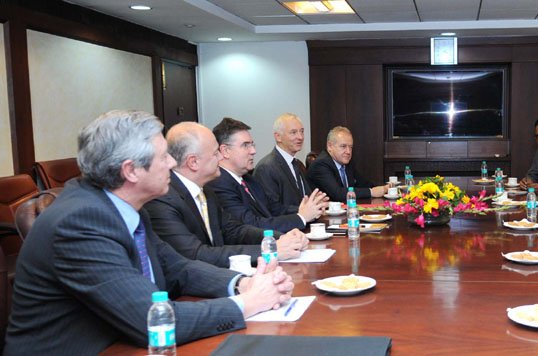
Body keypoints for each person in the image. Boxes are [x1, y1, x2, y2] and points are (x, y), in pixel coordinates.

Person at [4, 110, 294, 354]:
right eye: (164, 156)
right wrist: (248, 303)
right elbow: (151, 320)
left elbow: (177, 268)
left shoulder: (126, 206)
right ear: (131, 170)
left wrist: (242, 283)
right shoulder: (80, 222)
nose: (173, 163)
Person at [144, 122, 309, 268]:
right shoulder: (163, 201)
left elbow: (234, 230)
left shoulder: (206, 190)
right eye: (215, 153)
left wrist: (279, 238)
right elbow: (197, 254)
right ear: (193, 162)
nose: (221, 157)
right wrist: (269, 250)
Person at [207, 117, 327, 232]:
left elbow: (272, 210)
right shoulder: (219, 184)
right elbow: (251, 224)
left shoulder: (248, 180)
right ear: (225, 151)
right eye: (245, 145)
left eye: (252, 145)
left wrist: (307, 209)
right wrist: (301, 217)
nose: (253, 151)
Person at [253, 113, 314, 216]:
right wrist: (305, 210)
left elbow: (304, 197)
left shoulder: (297, 164)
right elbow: (273, 209)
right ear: (278, 137)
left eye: (302, 131)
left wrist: (316, 202)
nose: (300, 137)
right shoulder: (266, 167)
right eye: (293, 132)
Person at [307, 126, 388, 202]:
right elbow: (338, 193)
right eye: (343, 146)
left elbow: (364, 184)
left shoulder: (346, 162)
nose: (348, 152)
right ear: (330, 146)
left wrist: (384, 189)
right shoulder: (321, 164)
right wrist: (371, 192)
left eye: (350, 147)